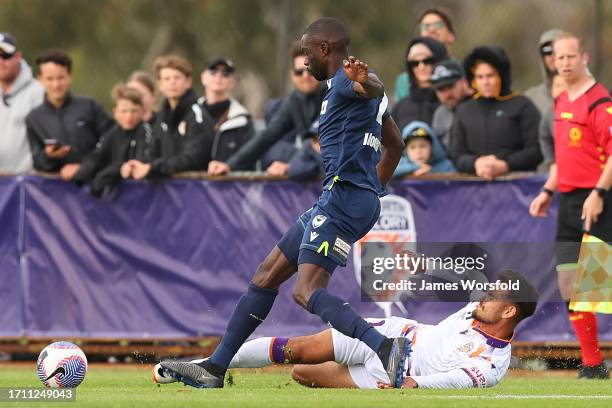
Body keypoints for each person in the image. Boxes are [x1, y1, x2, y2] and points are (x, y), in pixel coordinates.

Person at [160, 17, 408, 389]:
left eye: (308, 53)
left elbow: (371, 87)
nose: (305, 62)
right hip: (345, 198)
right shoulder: (341, 87)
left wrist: (365, 80)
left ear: (324, 48)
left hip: (343, 200)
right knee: (266, 274)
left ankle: (385, 348)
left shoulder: (347, 81)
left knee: (305, 292)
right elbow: (395, 145)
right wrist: (372, 190)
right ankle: (215, 367)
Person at [155, 270, 538, 390]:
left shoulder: (493, 363)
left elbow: (458, 380)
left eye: (494, 295)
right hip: (390, 335)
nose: (483, 297)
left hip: (391, 376)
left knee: (301, 373)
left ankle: (208, 366)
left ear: (508, 310)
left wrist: (414, 386)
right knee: (300, 349)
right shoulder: (476, 310)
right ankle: (206, 365)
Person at [529, 32, 610, 379]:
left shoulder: (599, 101)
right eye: (558, 58)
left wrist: (599, 194)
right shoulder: (561, 101)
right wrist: (548, 191)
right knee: (568, 284)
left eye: (570, 57)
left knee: (596, 286)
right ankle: (592, 364)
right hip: (568, 202)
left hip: (598, 200)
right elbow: (562, 160)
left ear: (585, 57)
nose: (563, 63)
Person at [207, 41, 324, 176]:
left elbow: (320, 143)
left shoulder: (332, 95)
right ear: (292, 74)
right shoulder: (294, 100)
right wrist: (229, 165)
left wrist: (291, 166)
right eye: (299, 72)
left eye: (310, 70)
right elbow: (266, 137)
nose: (305, 76)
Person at [451, 46, 542, 179]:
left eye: (490, 76)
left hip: (518, 187)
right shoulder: (464, 110)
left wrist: (506, 164)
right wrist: (476, 163)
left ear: (501, 75)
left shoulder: (523, 105)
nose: (485, 82)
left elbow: (536, 150)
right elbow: (457, 155)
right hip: (474, 190)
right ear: (473, 80)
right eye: (480, 77)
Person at [26, 50, 114, 180]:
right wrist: (49, 156)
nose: (56, 85)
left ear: (70, 76)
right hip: (56, 193)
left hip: (96, 186)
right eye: (49, 79)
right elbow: (38, 162)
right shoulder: (34, 118)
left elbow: (112, 141)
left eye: (60, 77)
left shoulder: (90, 106)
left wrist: (85, 166)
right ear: (40, 79)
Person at [127, 55, 213, 179]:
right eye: (166, 79)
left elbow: (192, 159)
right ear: (160, 84)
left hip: (195, 189)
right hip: (167, 192)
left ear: (188, 82)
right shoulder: (162, 116)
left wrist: (153, 168)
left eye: (177, 78)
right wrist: (137, 166)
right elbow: (152, 152)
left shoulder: (197, 115)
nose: (172, 82)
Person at [72, 84, 153, 197]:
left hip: (140, 197)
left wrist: (114, 172)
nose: (129, 117)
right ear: (115, 112)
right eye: (124, 111)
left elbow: (140, 162)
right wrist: (81, 174)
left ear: (142, 112)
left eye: (134, 111)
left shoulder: (146, 131)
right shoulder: (112, 133)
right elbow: (97, 156)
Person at [0, 32, 44, 173]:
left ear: (18, 56)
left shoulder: (39, 92)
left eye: (5, 55)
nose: (0, 61)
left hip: (27, 183)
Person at [198, 57, 255, 165]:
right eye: (213, 72)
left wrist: (228, 166)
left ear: (232, 82)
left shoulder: (243, 120)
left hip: (230, 180)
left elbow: (250, 158)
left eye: (226, 73)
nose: (219, 77)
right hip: (190, 181)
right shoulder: (190, 113)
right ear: (203, 78)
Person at [394, 7, 455, 102]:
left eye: (438, 25)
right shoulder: (405, 81)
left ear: (451, 36)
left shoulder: (463, 71)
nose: (431, 29)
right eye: (425, 26)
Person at [391, 37, 448, 131]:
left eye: (427, 61)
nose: (421, 67)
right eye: (415, 63)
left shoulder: (451, 101)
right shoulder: (400, 108)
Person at [430, 59, 472, 152]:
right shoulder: (440, 114)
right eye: (441, 89)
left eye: (450, 86)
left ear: (464, 82)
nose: (447, 94)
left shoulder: (480, 105)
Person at [524, 28, 564, 115]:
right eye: (548, 51)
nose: (553, 56)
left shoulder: (584, 94)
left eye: (558, 50)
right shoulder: (532, 97)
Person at [538, 73, 566, 169]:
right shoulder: (548, 113)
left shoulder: (586, 109)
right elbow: (545, 138)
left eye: (567, 85)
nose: (562, 90)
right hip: (559, 171)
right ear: (552, 90)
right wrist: (551, 162)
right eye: (558, 86)